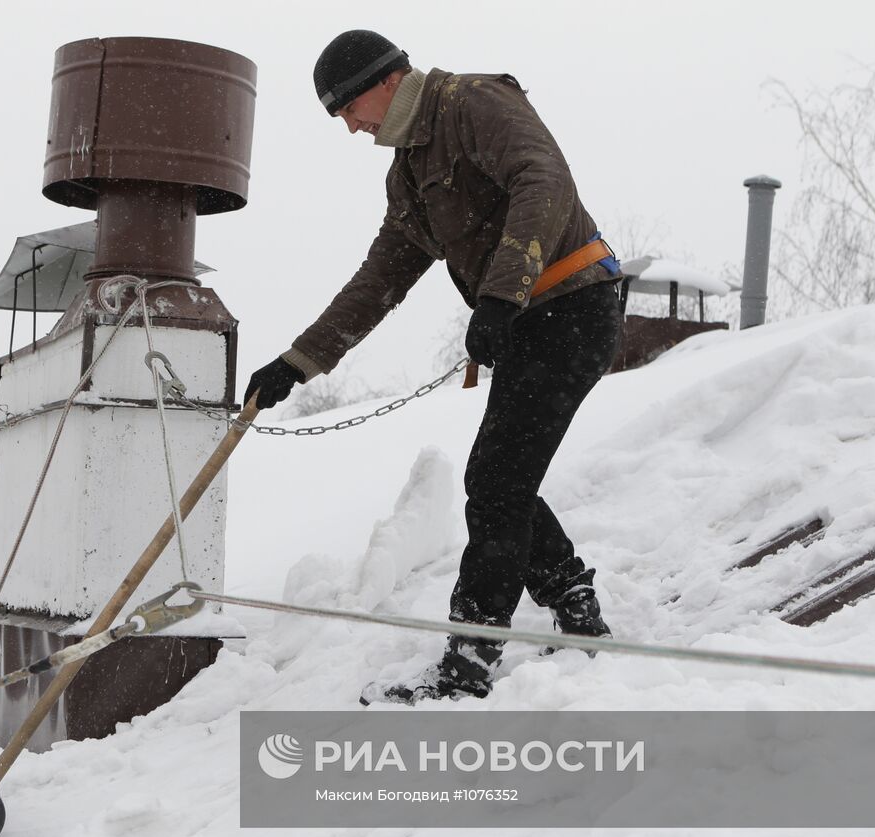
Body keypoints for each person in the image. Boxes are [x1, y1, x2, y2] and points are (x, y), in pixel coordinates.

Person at [244, 30, 625, 704]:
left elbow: (544, 180)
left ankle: (470, 664)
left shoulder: (472, 102)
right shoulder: (410, 177)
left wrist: (502, 293)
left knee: (497, 479)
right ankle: (572, 598)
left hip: (573, 303)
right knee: (500, 476)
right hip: (529, 320)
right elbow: (378, 281)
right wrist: (296, 362)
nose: (350, 128)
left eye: (347, 109)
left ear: (384, 81)